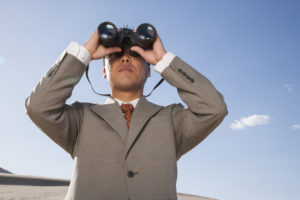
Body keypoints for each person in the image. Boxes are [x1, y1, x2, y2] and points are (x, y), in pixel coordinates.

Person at [25, 24, 228, 200]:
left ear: (149, 70)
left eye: (135, 53)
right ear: (104, 70)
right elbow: (38, 106)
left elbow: (214, 108)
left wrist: (164, 60)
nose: (125, 58)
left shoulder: (172, 120)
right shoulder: (81, 117)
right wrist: (83, 54)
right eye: (115, 54)